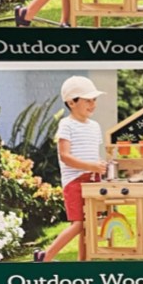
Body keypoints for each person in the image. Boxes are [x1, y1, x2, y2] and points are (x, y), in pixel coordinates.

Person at [34, 76, 107, 262]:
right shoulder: (66, 124)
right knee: (79, 223)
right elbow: (66, 157)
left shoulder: (95, 126)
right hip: (75, 181)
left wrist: (98, 166)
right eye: (87, 100)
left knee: (89, 223)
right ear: (71, 102)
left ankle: (82, 262)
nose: (93, 104)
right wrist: (91, 166)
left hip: (92, 179)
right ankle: (46, 256)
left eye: (94, 100)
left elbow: (91, 153)